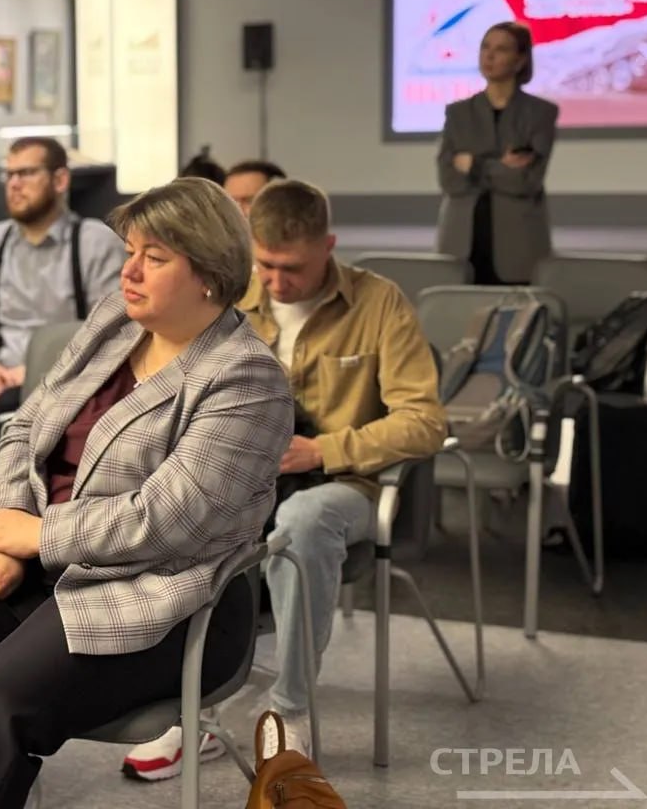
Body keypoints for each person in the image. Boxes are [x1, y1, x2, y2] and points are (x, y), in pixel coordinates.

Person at [0, 177, 293, 809]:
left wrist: (37, 536)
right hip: (41, 565)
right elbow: (23, 430)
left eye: (155, 257)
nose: (130, 271)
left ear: (209, 274)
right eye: (130, 252)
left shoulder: (247, 379)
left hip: (163, 598)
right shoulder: (114, 322)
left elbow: (166, 520)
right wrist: (6, 531)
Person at [122, 179, 445, 778]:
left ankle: (289, 709)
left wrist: (322, 450)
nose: (274, 281)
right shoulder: (231, 299)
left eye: (291, 268)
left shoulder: (379, 304)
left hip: (344, 484)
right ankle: (193, 709)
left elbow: (424, 422)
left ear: (329, 247)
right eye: (264, 265)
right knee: (178, 508)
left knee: (302, 521)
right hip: (244, 480)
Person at [0, 137, 125, 411]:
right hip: (1, 374)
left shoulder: (94, 242)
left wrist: (33, 372)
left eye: (26, 173)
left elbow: (108, 332)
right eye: (9, 174)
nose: (14, 184)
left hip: (69, 378)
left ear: (60, 180)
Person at [437, 21, 558, 285]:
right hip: (462, 241)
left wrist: (474, 165)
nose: (489, 56)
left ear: (520, 60)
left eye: (501, 49)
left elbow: (526, 181)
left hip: (518, 243)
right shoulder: (458, 114)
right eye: (485, 47)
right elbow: (449, 179)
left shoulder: (540, 113)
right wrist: (500, 167)